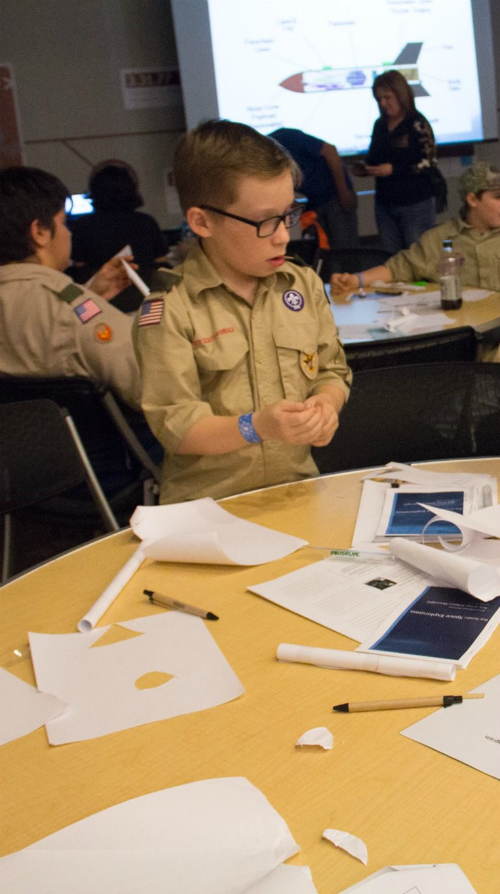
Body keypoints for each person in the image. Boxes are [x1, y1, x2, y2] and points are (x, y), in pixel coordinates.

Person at [134, 119, 352, 505]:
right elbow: (178, 428)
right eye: (265, 221)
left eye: (288, 214)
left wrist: (325, 406)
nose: (284, 234)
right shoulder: (171, 309)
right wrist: (257, 427)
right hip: (209, 509)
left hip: (296, 494)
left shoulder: (300, 284)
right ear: (202, 221)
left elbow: (333, 370)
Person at [0, 165, 141, 409]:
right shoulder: (73, 306)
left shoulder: (75, 304)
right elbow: (144, 387)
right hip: (101, 446)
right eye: (64, 222)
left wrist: (90, 293)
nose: (68, 233)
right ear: (40, 232)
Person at [354, 70, 438, 253]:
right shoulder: (380, 125)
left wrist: (393, 170)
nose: (383, 104)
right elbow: (375, 156)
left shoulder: (417, 123)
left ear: (401, 95)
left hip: (415, 203)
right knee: (392, 259)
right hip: (385, 203)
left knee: (418, 257)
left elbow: (429, 162)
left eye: (387, 97)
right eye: (378, 99)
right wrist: (366, 167)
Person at [69, 160, 165, 282]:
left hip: (100, 295)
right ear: (132, 190)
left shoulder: (84, 225)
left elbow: (79, 269)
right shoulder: (147, 222)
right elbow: (161, 264)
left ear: (95, 192)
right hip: (144, 293)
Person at [270, 127, 358, 249]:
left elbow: (330, 151)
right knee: (320, 250)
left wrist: (343, 192)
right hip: (313, 202)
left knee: (345, 250)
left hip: (335, 194)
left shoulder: (284, 137)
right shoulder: (266, 160)